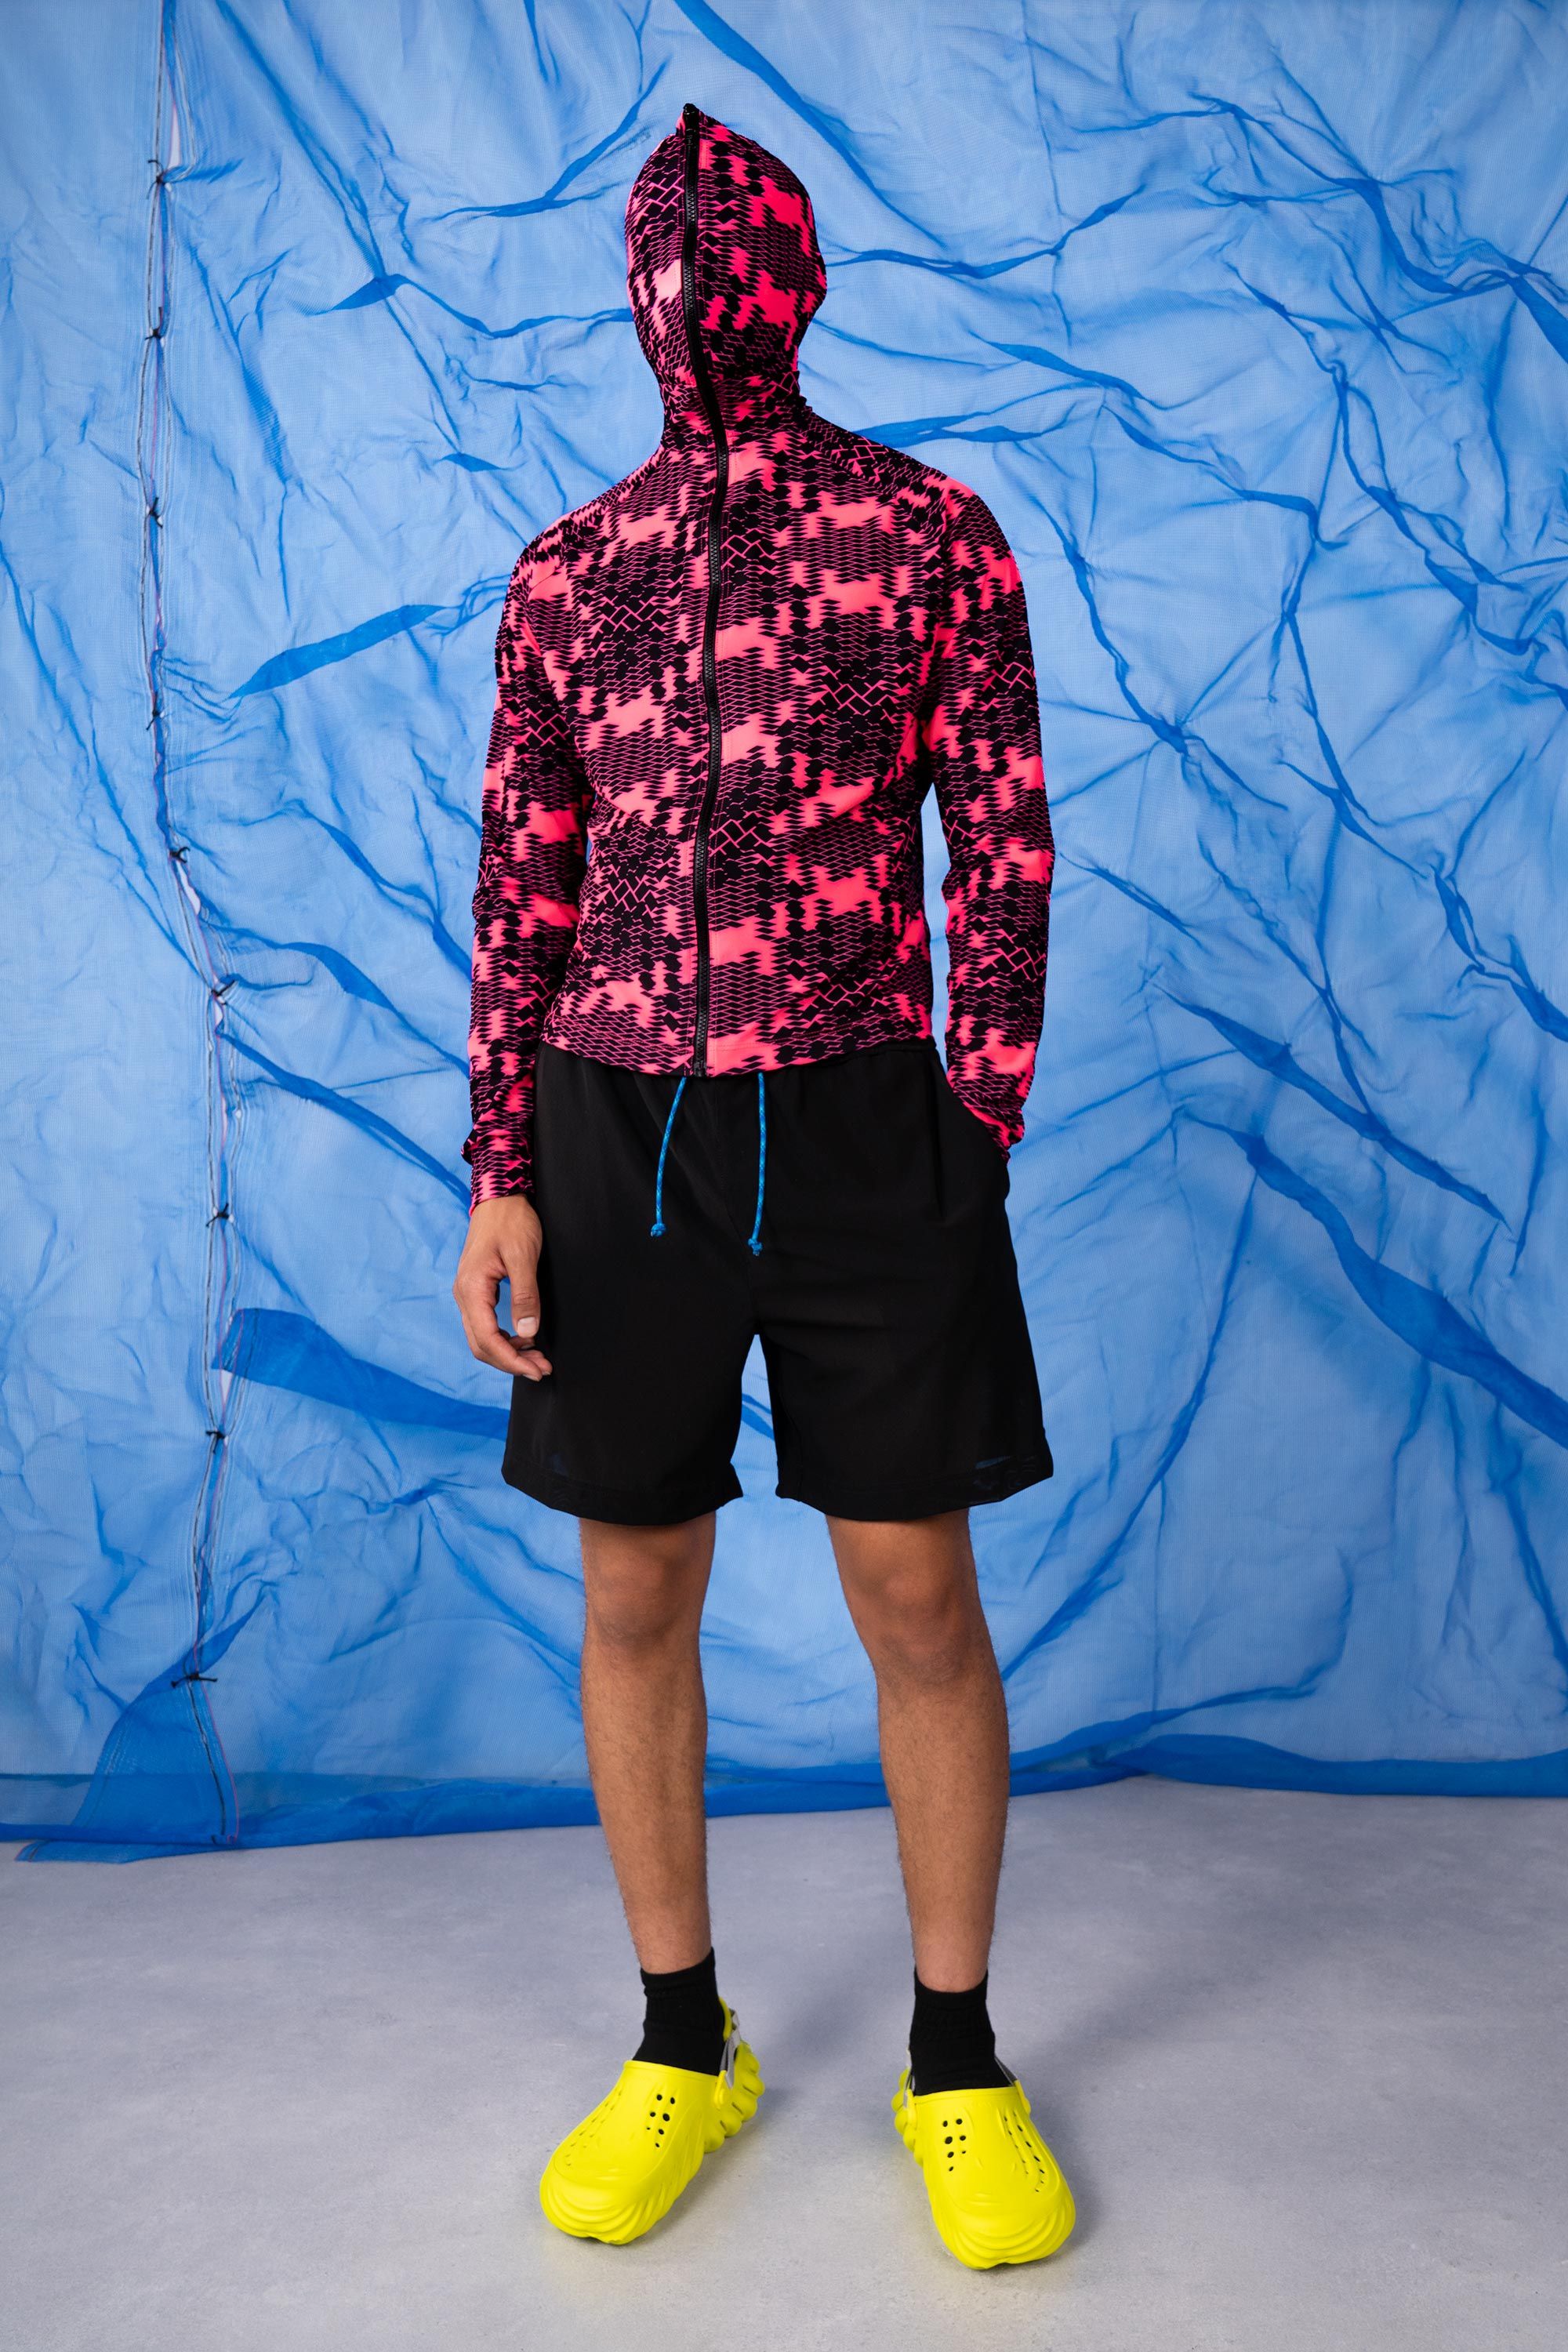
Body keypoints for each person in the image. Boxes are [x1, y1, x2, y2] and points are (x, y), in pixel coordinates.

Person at [452, 100, 1072, 2271]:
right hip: (615, 1127)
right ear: (636, 297)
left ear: (803, 277)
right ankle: (679, 2037)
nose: (706, 284)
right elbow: (522, 890)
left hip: (867, 1118)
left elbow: (1002, 837)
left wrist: (974, 1116)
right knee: (636, 1588)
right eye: (676, 259)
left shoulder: (930, 537)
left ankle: (957, 2057)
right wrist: (503, 1170)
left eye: (737, 252)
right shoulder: (569, 574)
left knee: (916, 1591)